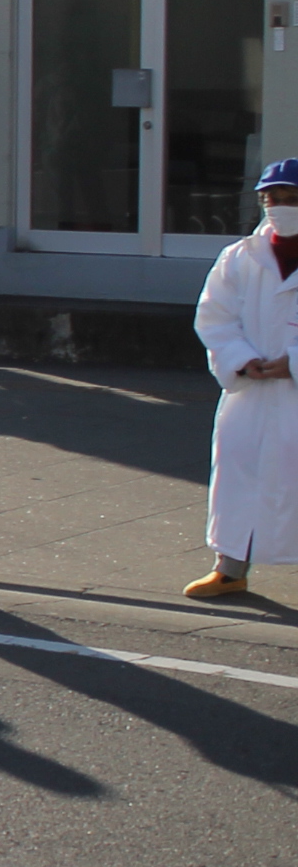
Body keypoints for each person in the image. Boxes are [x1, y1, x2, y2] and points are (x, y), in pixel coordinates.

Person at [190, 159, 298, 598]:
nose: (279, 207)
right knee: (238, 475)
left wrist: (294, 361)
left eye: (290, 199)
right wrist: (242, 359)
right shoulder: (239, 258)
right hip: (249, 393)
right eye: (271, 199)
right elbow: (214, 317)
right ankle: (230, 568)